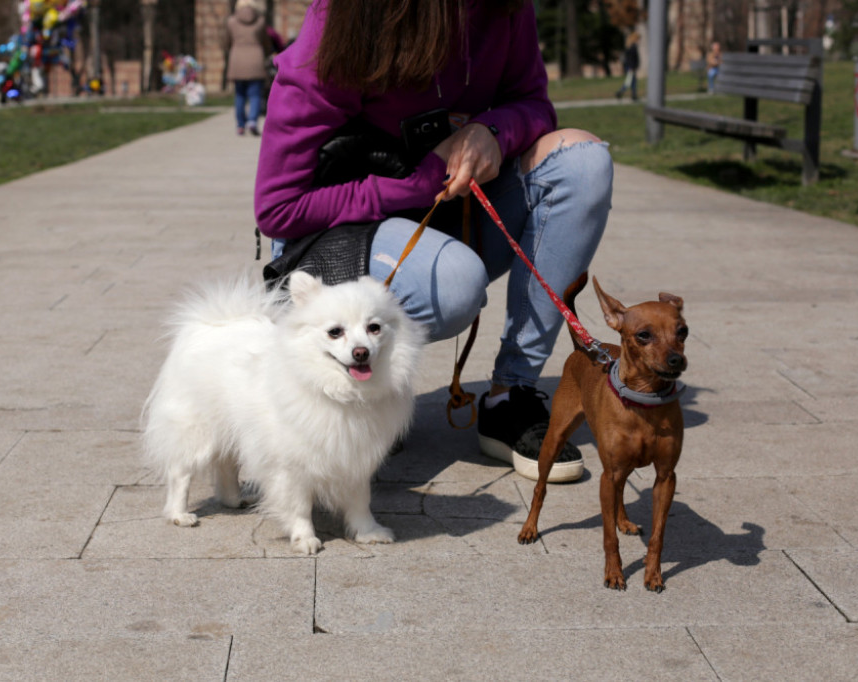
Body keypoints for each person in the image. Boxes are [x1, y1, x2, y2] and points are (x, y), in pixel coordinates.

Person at [254, 0, 613, 483]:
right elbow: (279, 207)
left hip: (453, 216)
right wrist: (422, 180)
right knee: (455, 282)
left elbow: (532, 102)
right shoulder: (342, 18)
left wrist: (492, 132)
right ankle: (354, 392)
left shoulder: (506, 8)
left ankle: (513, 395)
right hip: (339, 236)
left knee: (582, 164)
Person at [225, 0, 274, 135]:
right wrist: (267, 53)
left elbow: (227, 41)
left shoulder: (231, 22)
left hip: (237, 60)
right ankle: (252, 121)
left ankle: (240, 125)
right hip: (256, 60)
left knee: (239, 95)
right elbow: (266, 42)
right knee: (255, 95)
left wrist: (232, 50)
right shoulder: (260, 21)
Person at [615, 32, 640, 101]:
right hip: (630, 67)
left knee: (632, 81)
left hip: (630, 67)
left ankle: (633, 95)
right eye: (638, 39)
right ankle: (620, 92)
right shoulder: (632, 47)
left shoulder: (630, 47)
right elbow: (631, 59)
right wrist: (631, 67)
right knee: (630, 82)